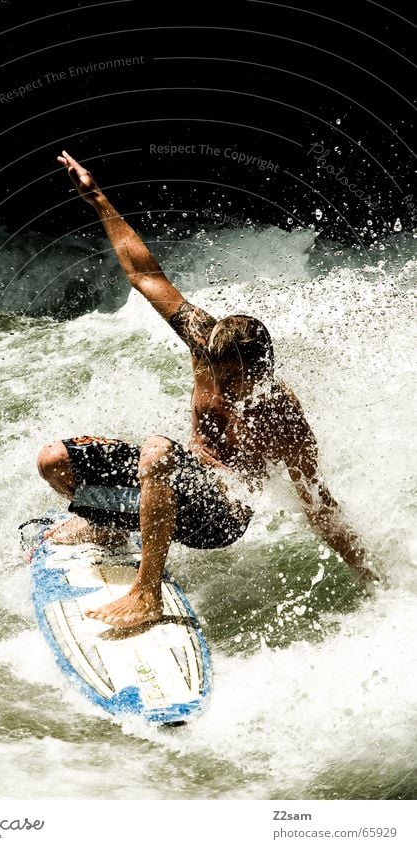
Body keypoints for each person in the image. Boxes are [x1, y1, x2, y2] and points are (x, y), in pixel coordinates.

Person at [36, 150, 380, 629]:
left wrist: (379, 584)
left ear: (263, 370)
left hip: (222, 515)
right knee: (55, 458)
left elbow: (320, 506)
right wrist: (96, 197)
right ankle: (112, 526)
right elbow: (144, 274)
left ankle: (146, 594)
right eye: (216, 373)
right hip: (184, 481)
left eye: (234, 379)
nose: (222, 385)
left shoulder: (283, 419)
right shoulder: (205, 340)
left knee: (156, 451)